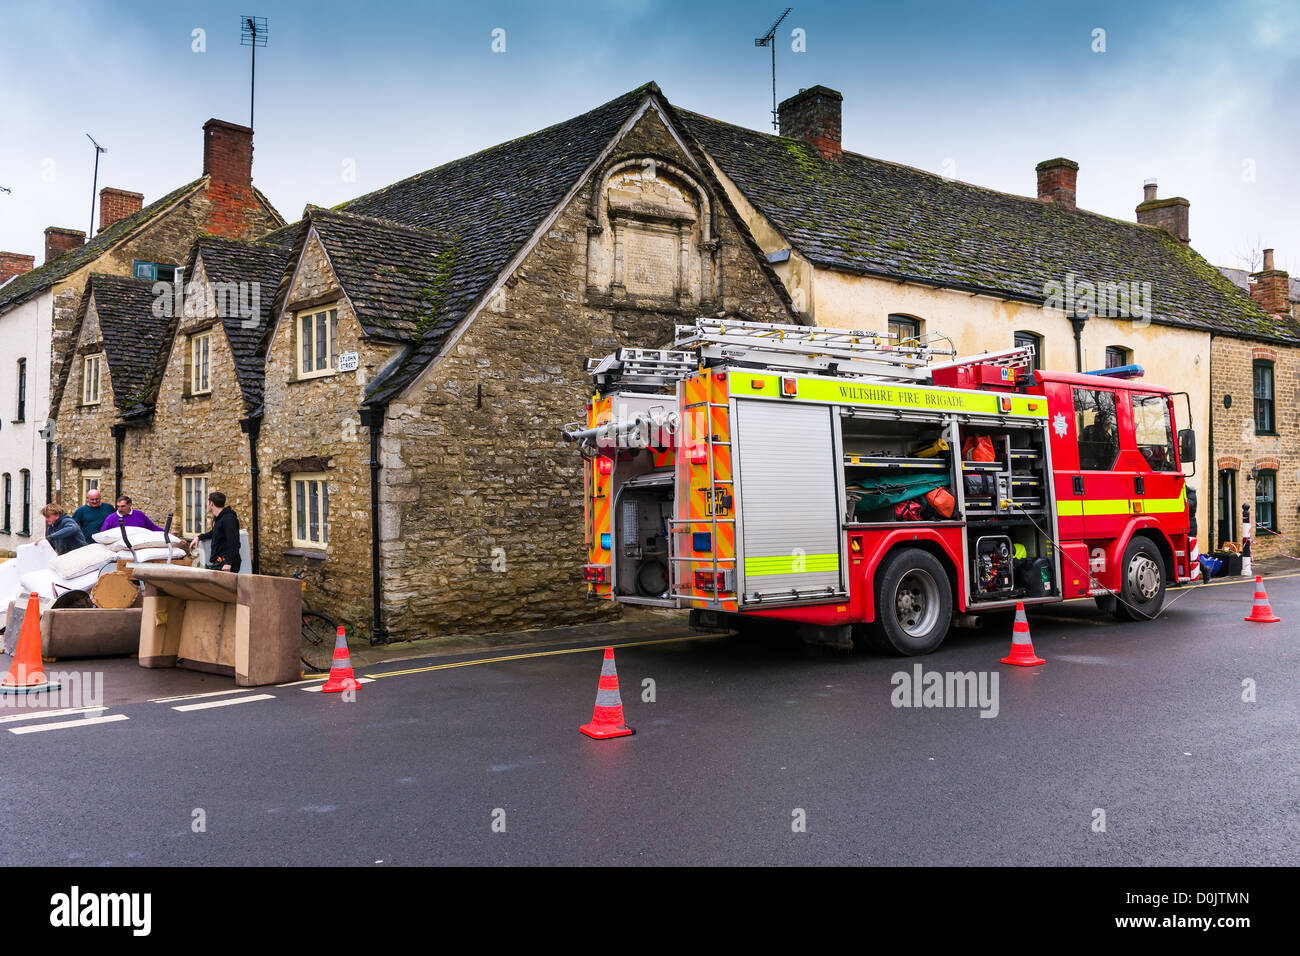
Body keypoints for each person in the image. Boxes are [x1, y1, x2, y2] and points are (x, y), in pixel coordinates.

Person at [191, 491, 241, 573]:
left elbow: (233, 542)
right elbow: (214, 533)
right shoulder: (220, 518)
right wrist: (199, 537)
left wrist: (228, 563)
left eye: (208, 502)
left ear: (211, 503)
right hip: (219, 562)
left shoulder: (229, 519)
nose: (207, 504)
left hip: (226, 564)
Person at [98, 495, 163, 534]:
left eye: (123, 506)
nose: (120, 509)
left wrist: (166, 533)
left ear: (129, 505)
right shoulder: (111, 518)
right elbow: (103, 534)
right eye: (118, 506)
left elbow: (152, 527)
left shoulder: (139, 515)